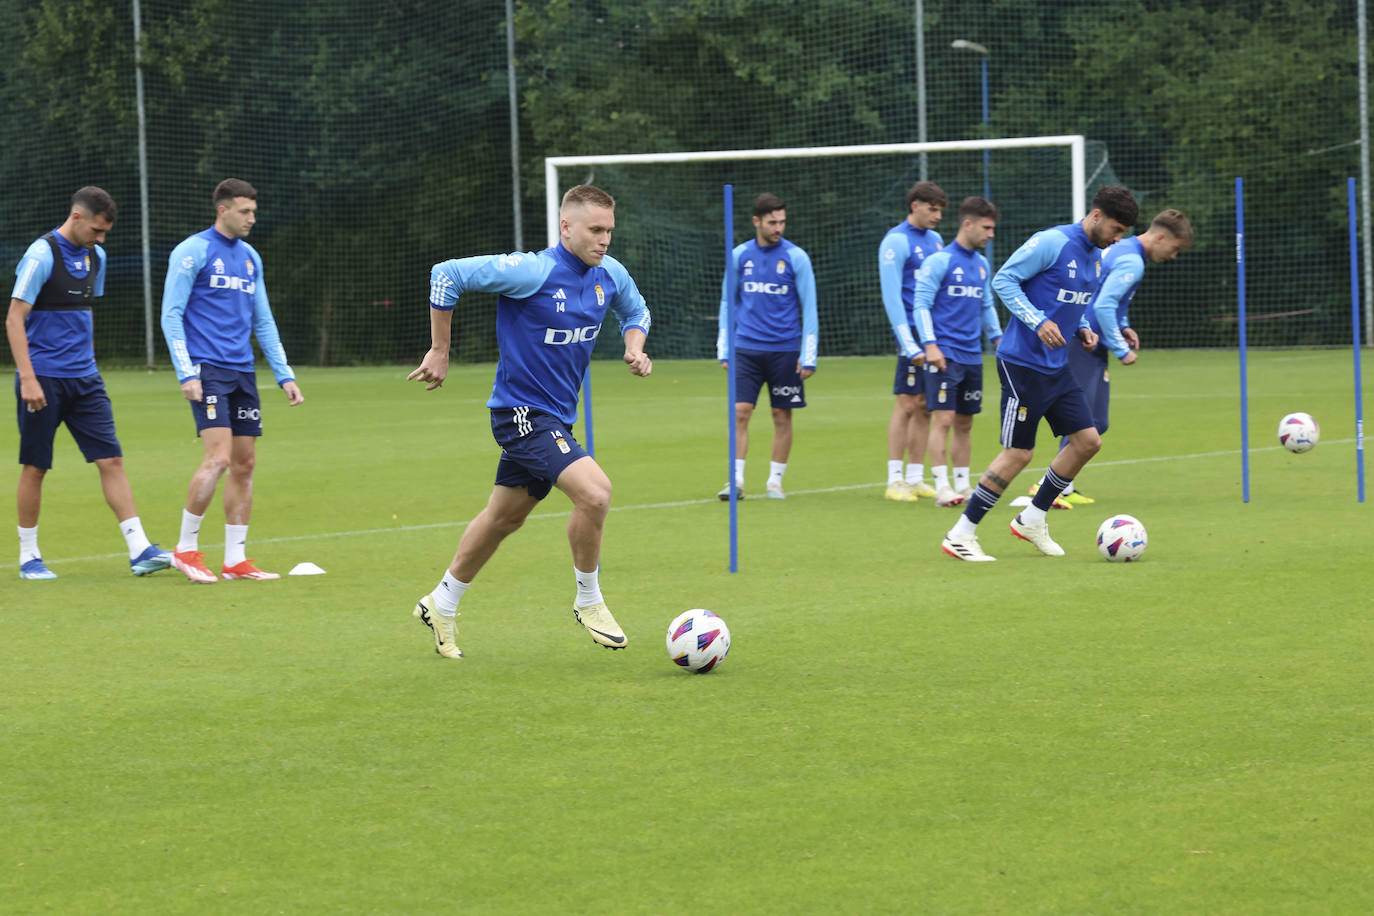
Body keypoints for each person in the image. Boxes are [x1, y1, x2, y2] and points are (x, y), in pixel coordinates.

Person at [407, 185, 652, 659]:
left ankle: (441, 602)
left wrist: (635, 346)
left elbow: (636, 310)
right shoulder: (532, 271)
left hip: (555, 419)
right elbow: (445, 274)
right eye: (595, 230)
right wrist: (440, 349)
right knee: (595, 492)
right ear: (566, 227)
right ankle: (589, 600)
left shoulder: (610, 274)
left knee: (504, 518)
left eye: (609, 231)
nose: (604, 240)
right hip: (521, 413)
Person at [940, 185, 1139, 562]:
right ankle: (960, 533)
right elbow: (1004, 280)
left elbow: (1068, 299)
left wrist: (1081, 326)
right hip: (1022, 364)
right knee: (1018, 453)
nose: (1116, 239)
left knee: (1087, 441)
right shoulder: (1051, 242)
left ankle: (1032, 518)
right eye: (1115, 229)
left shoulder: (1096, 257)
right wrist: (1037, 321)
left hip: (1055, 366)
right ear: (1097, 216)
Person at [6, 187, 173, 580]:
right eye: (96, 230)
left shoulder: (97, 256)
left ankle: (139, 549)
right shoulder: (41, 254)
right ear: (77, 217)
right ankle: (29, 557)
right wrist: (28, 379)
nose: (101, 239)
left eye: (105, 233)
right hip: (43, 378)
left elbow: (85, 311)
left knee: (111, 459)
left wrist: (90, 361)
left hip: (85, 379)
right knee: (35, 467)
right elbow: (14, 319)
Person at [160, 178, 304, 584]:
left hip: (243, 372)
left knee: (244, 463)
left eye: (253, 212)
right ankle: (185, 550)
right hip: (208, 371)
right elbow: (171, 314)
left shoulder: (250, 258)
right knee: (218, 458)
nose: (251, 218)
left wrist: (284, 374)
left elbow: (263, 319)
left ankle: (235, 559)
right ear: (222, 210)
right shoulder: (193, 252)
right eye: (244, 211)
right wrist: (186, 372)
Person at [1028, 209, 1194, 505]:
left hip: (1093, 344)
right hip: (1085, 342)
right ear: (1160, 237)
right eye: (1175, 248)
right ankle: (1047, 487)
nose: (1174, 256)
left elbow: (1111, 299)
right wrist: (1121, 349)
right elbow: (1104, 306)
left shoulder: (1124, 250)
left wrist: (1124, 325)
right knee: (1082, 421)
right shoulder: (1131, 260)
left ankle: (1061, 486)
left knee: (1097, 421)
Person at [716, 192, 818, 500]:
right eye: (772, 222)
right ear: (756, 222)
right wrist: (724, 347)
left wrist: (808, 354)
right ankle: (735, 480)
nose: (778, 228)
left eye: (782, 222)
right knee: (740, 411)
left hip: (785, 350)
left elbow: (809, 307)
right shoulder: (739, 256)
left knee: (781, 415)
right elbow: (727, 302)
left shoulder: (796, 257)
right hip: (746, 348)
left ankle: (775, 481)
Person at [912, 197, 1003, 508]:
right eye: (987, 228)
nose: (991, 234)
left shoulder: (981, 264)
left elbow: (986, 304)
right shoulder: (939, 261)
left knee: (966, 422)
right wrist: (930, 344)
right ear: (968, 224)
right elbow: (920, 304)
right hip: (944, 354)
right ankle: (942, 487)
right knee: (944, 420)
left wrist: (997, 338)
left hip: (972, 355)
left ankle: (964, 485)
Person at [878, 180, 946, 502]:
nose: (937, 217)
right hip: (911, 337)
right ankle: (894, 480)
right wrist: (909, 344)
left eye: (941, 211)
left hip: (931, 334)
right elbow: (892, 298)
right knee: (906, 404)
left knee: (924, 407)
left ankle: (916, 477)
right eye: (932, 209)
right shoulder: (895, 241)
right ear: (914, 205)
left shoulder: (935, 241)